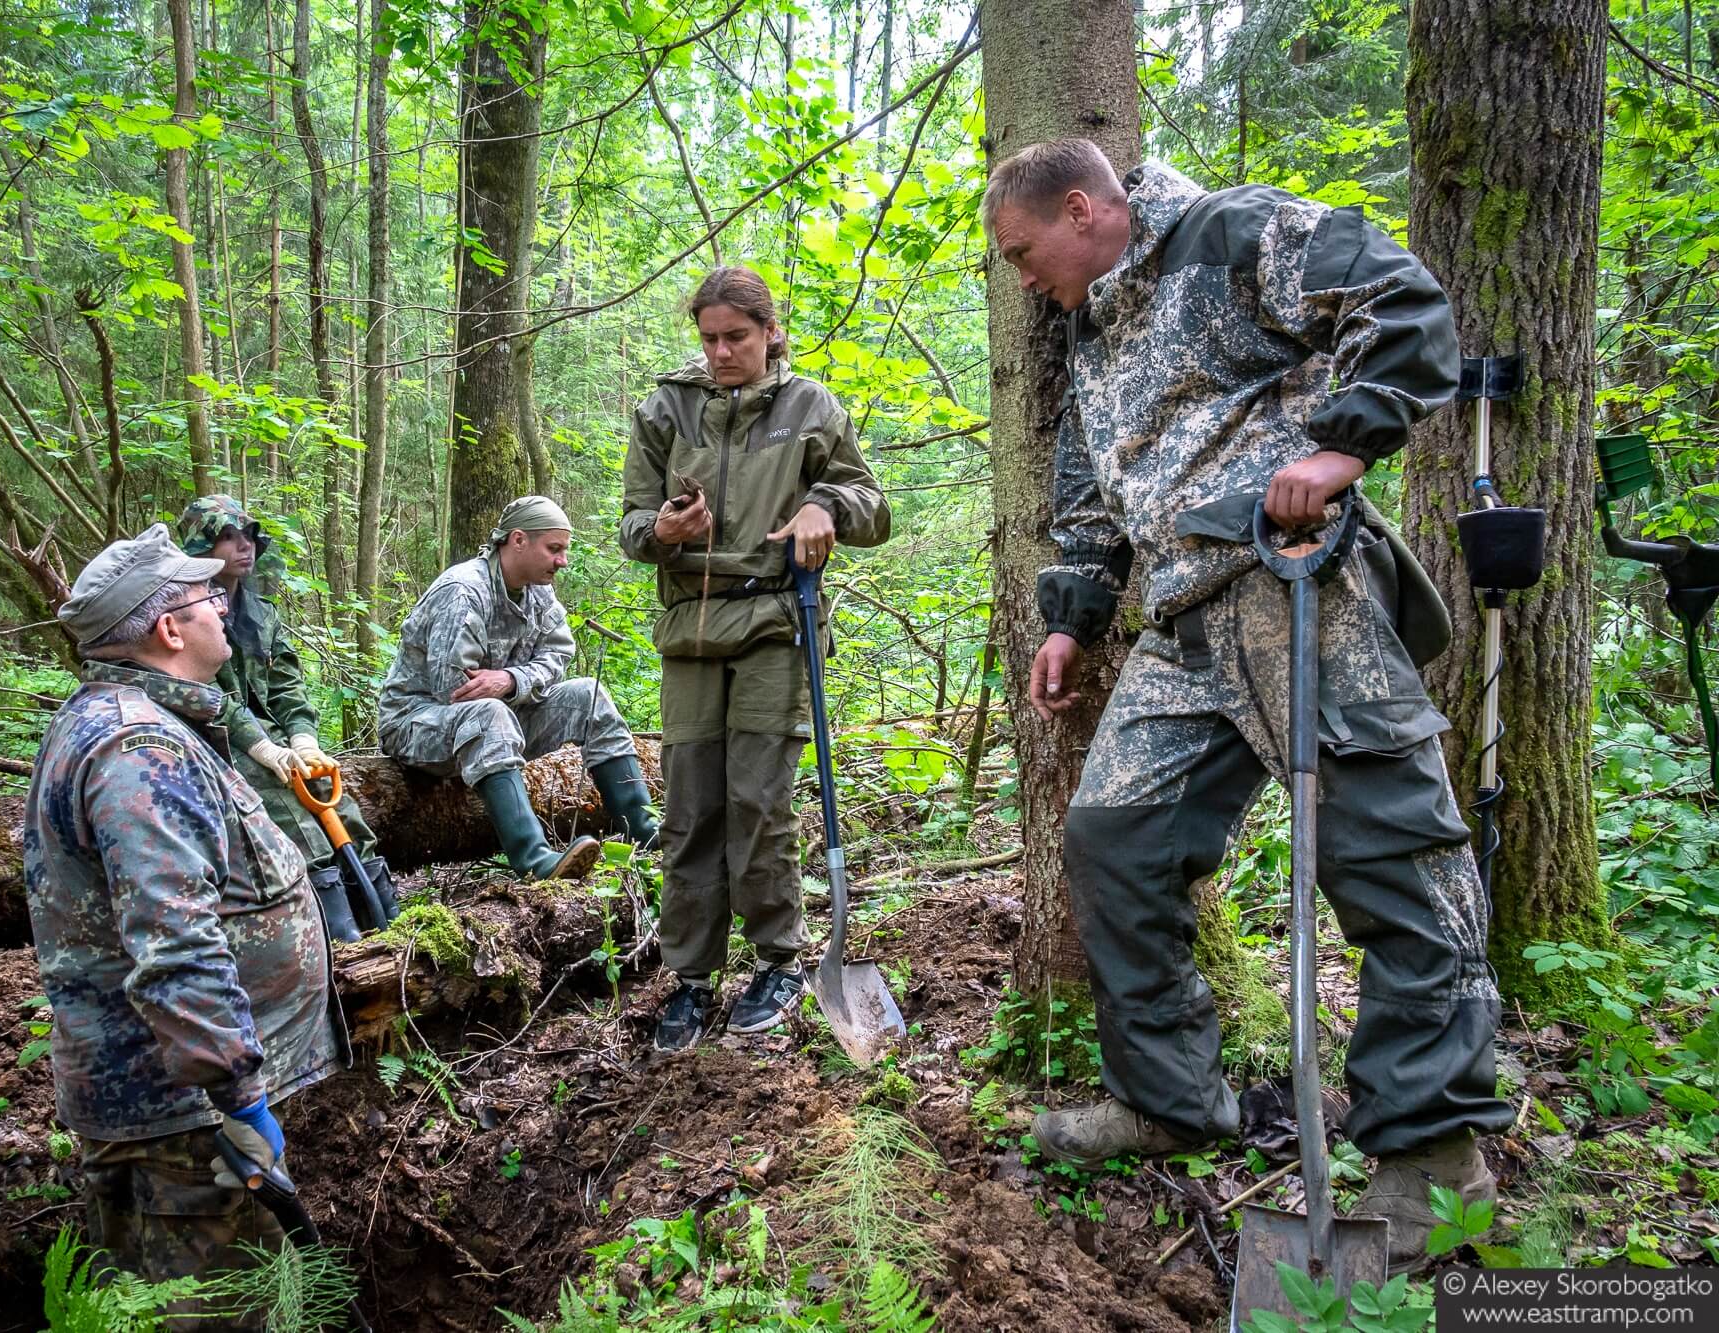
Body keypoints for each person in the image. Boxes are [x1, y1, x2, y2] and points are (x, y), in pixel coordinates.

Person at [985, 139, 1512, 1268]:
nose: (1022, 280)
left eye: (1025, 255)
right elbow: (1093, 477)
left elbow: (1400, 299)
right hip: (1177, 617)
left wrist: (1339, 448)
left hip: (1293, 584)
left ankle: (1432, 1158)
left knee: (1390, 857)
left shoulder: (1230, 234)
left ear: (1081, 210)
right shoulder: (1088, 324)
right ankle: (1171, 1099)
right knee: (1112, 837)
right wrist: (1074, 611)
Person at [22, 524, 340, 1323]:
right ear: (169, 629)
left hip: (186, 1114)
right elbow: (174, 946)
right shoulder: (139, 748)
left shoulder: (145, 725)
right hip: (184, 1124)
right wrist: (242, 1099)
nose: (225, 606)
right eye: (209, 597)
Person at [620, 265, 891, 1053]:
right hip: (692, 627)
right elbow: (632, 524)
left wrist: (823, 503)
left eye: (735, 336)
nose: (720, 351)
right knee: (690, 807)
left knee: (759, 800)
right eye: (708, 338)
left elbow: (872, 506)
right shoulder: (666, 408)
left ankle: (778, 960)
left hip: (778, 620)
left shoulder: (809, 405)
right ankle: (691, 976)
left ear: (770, 331)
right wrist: (664, 531)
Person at [377, 494, 654, 880]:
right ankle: (533, 859)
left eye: (564, 550)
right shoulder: (463, 591)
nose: (563, 561)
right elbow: (453, 690)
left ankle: (643, 833)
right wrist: (506, 689)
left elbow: (558, 655)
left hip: (495, 718)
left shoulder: (538, 591)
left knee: (588, 697)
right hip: (417, 725)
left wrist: (511, 680)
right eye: (554, 549)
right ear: (518, 540)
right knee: (488, 712)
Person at [176, 495, 394, 942]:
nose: (244, 547)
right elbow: (207, 695)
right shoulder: (185, 613)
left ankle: (388, 920)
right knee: (288, 813)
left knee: (341, 807)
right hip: (213, 743)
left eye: (249, 537)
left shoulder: (262, 615)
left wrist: (303, 740)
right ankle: (340, 939)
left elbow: (287, 686)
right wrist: (262, 747)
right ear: (202, 549)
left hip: (271, 737)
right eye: (228, 539)